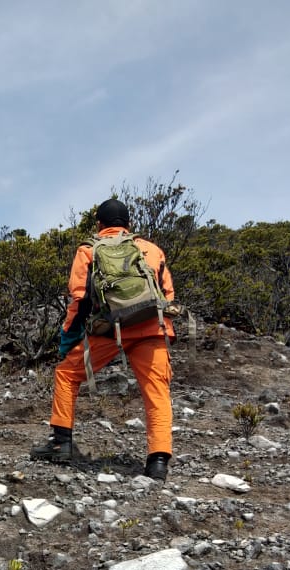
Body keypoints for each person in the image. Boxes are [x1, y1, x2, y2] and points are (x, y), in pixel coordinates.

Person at [29, 199, 175, 480]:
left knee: (66, 374)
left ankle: (60, 443)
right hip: (152, 328)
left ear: (99, 224)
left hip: (111, 329)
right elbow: (167, 295)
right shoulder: (151, 249)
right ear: (129, 224)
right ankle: (158, 462)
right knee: (157, 393)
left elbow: (80, 300)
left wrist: (68, 339)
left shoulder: (88, 250)